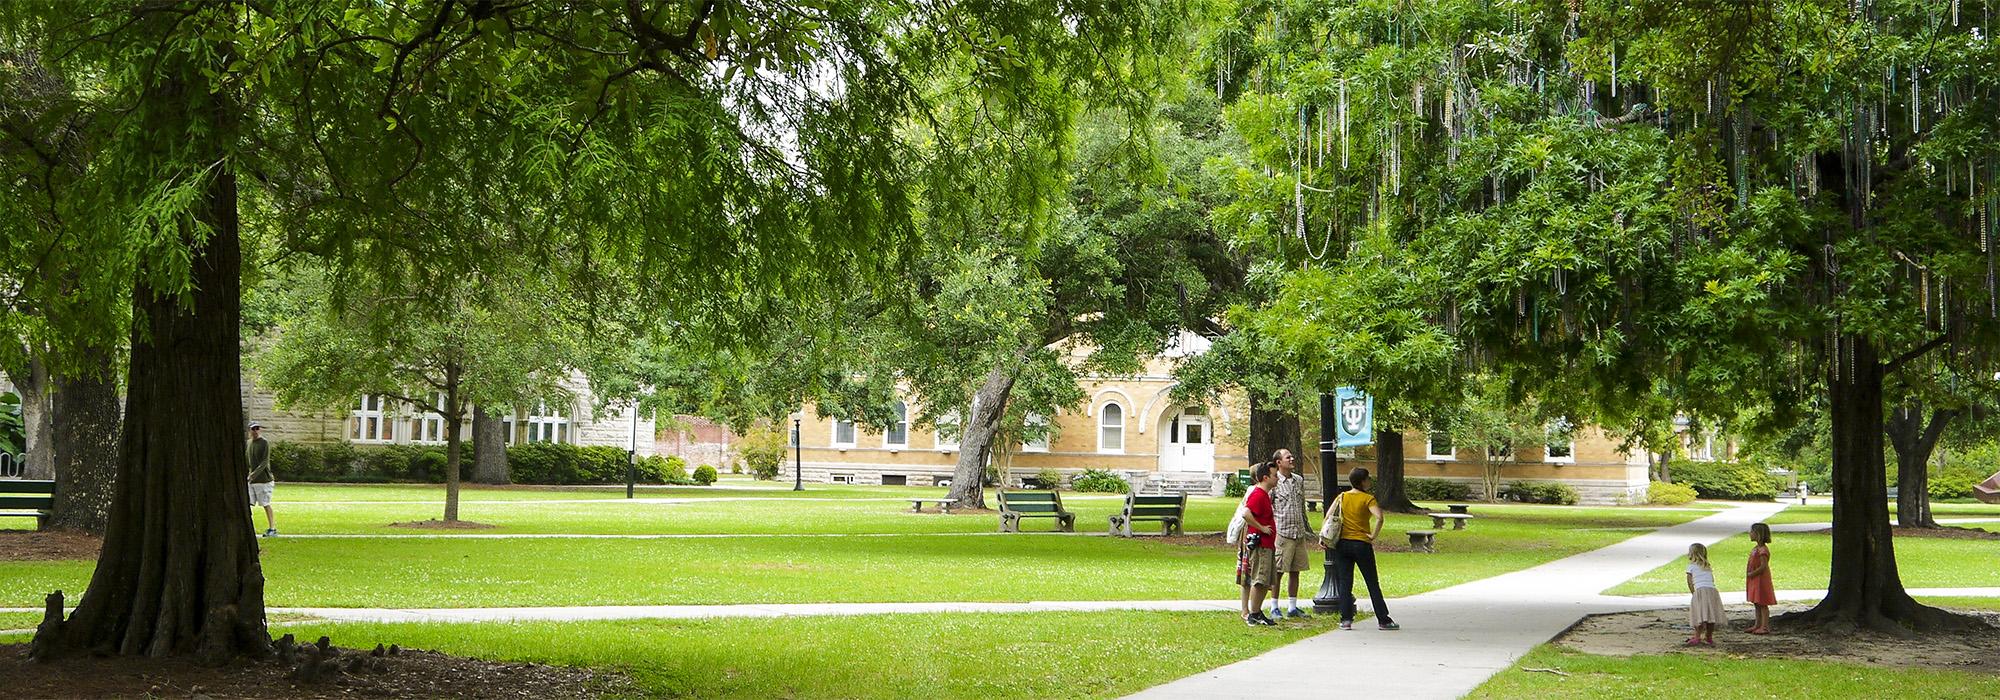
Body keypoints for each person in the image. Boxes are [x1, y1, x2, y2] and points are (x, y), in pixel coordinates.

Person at [1320, 467, 1397, 631]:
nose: (1370, 481)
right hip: (1361, 543)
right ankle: (1383, 619)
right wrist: (1373, 535)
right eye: (1368, 478)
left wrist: (1324, 537)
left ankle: (1345, 619)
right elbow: (1379, 517)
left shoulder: (1342, 497)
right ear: (1363, 481)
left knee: (1345, 582)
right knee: (1372, 583)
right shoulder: (1368, 499)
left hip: (1343, 544)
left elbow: (1328, 516)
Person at [1267, 449, 1312, 618]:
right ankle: (1274, 607)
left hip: (1298, 532)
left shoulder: (1298, 480)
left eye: (1292, 456)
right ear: (1279, 462)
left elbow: (1300, 504)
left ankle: (1293, 607)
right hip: (1282, 533)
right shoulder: (1274, 481)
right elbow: (1268, 505)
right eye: (1288, 457)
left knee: (1296, 570)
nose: (1292, 459)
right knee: (1278, 571)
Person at [1238, 463, 1280, 626]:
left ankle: (1257, 611)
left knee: (1266, 580)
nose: (1277, 478)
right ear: (1265, 478)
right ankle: (1253, 614)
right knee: (1259, 578)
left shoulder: (1265, 494)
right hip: (1261, 544)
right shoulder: (1258, 494)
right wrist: (1262, 528)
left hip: (1268, 544)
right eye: (1275, 475)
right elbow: (1246, 513)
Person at [1686, 542, 1723, 645]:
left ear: (1692, 554)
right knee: (1710, 615)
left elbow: (1689, 581)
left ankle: (1697, 636)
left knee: (1699, 615)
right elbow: (1712, 579)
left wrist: (1694, 593)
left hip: (1700, 591)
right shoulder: (1707, 566)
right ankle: (1709, 636)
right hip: (1712, 591)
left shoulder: (1691, 566)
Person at [1745, 523, 1777, 634]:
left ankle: (1765, 626)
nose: (1750, 533)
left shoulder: (1763, 550)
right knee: (1756, 602)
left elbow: (1764, 566)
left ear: (1758, 534)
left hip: (1760, 580)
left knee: (1762, 603)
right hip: (1754, 579)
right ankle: (1757, 624)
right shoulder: (1756, 548)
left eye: (1752, 531)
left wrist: (1753, 573)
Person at [247, 423, 276, 537]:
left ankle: (272, 528)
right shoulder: (249, 443)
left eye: (257, 428)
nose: (255, 431)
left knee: (265, 503)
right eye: (253, 429)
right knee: (248, 503)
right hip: (251, 481)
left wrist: (254, 474)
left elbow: (264, 462)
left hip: (264, 480)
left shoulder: (264, 443)